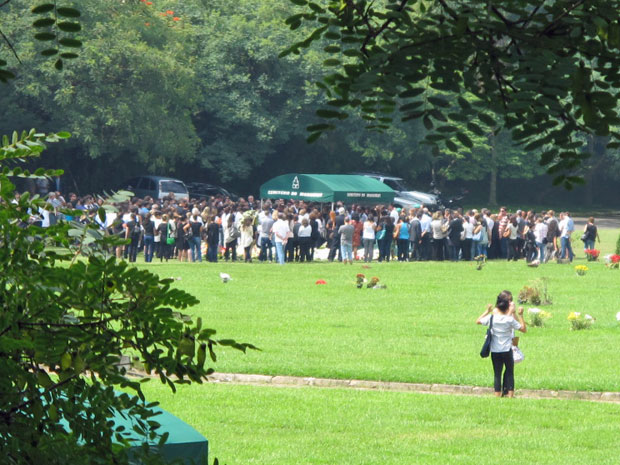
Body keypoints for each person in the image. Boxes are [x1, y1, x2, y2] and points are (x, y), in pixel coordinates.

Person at [476, 291, 527, 398]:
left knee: (497, 374)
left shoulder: (492, 318)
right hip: (507, 349)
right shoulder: (509, 320)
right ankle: (510, 394)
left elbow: (478, 321)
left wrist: (487, 311)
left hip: (495, 350)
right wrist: (521, 315)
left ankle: (497, 394)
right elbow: (523, 329)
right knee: (509, 372)